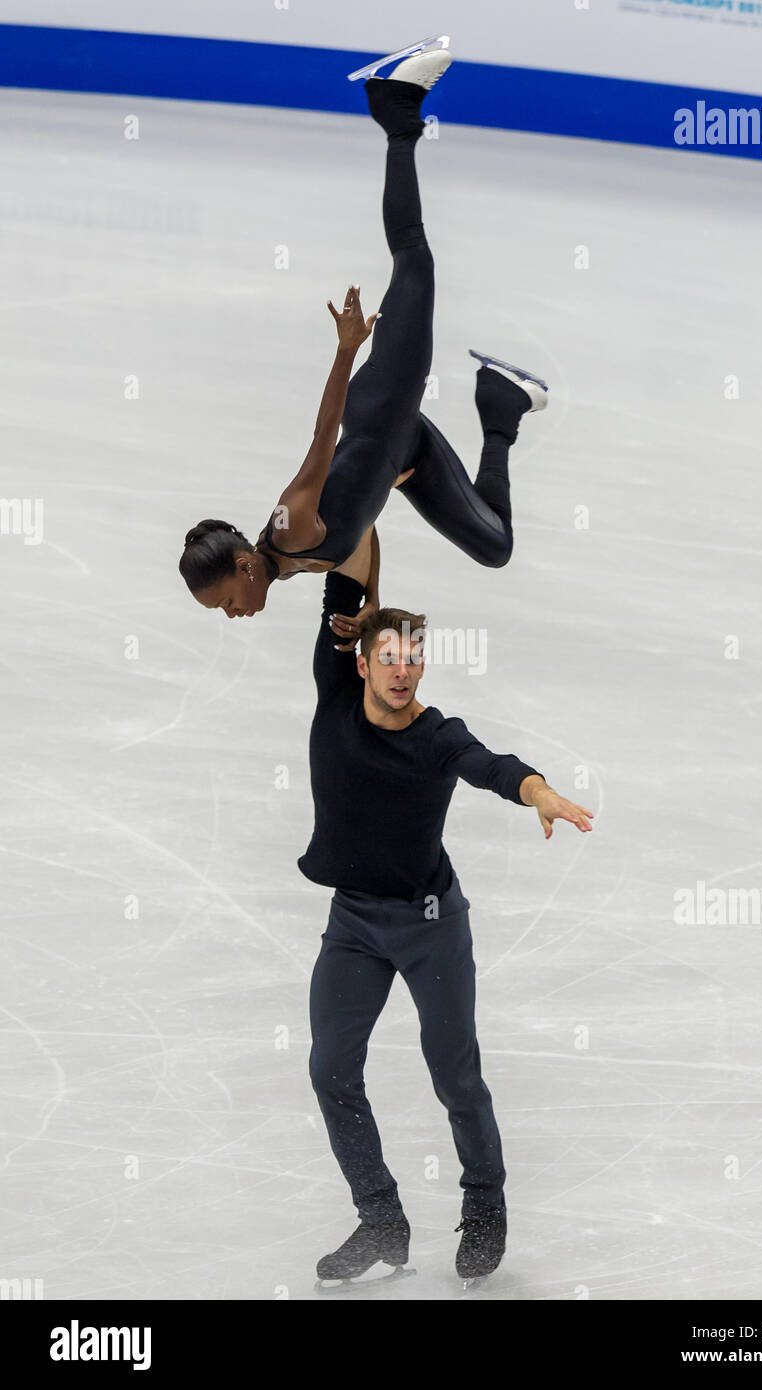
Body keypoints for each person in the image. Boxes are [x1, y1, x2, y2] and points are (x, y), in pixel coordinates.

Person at [303, 526, 594, 1286]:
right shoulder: (335, 692)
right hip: (354, 923)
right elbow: (344, 569)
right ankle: (381, 1219)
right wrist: (363, 496)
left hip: (430, 921)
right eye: (388, 658)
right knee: (331, 1066)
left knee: (453, 1071)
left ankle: (486, 1203)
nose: (402, 672)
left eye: (412, 659)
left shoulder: (436, 736)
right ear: (362, 661)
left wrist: (538, 791)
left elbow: (491, 767)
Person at [178, 38, 549, 624]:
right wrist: (372, 600)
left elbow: (324, 438)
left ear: (245, 567)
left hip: (380, 408)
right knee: (494, 547)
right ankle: (501, 403)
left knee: (413, 259)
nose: (232, 613)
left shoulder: (291, 525)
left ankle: (395, 109)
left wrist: (346, 351)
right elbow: (358, 529)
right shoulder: (286, 559)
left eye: (225, 600)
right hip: (403, 452)